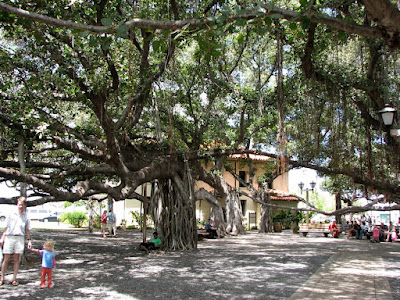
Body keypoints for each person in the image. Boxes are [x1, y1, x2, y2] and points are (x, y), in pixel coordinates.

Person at [0, 197, 32, 286]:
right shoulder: (11, 213)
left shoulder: (26, 216)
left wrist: (29, 240)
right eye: (19, 204)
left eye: (22, 205)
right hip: (10, 237)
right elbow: (6, 227)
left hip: (20, 238)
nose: (20, 206)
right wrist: (2, 238)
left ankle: (14, 279)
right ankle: (2, 278)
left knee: (16, 259)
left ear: (25, 206)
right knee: (6, 258)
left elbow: (27, 230)